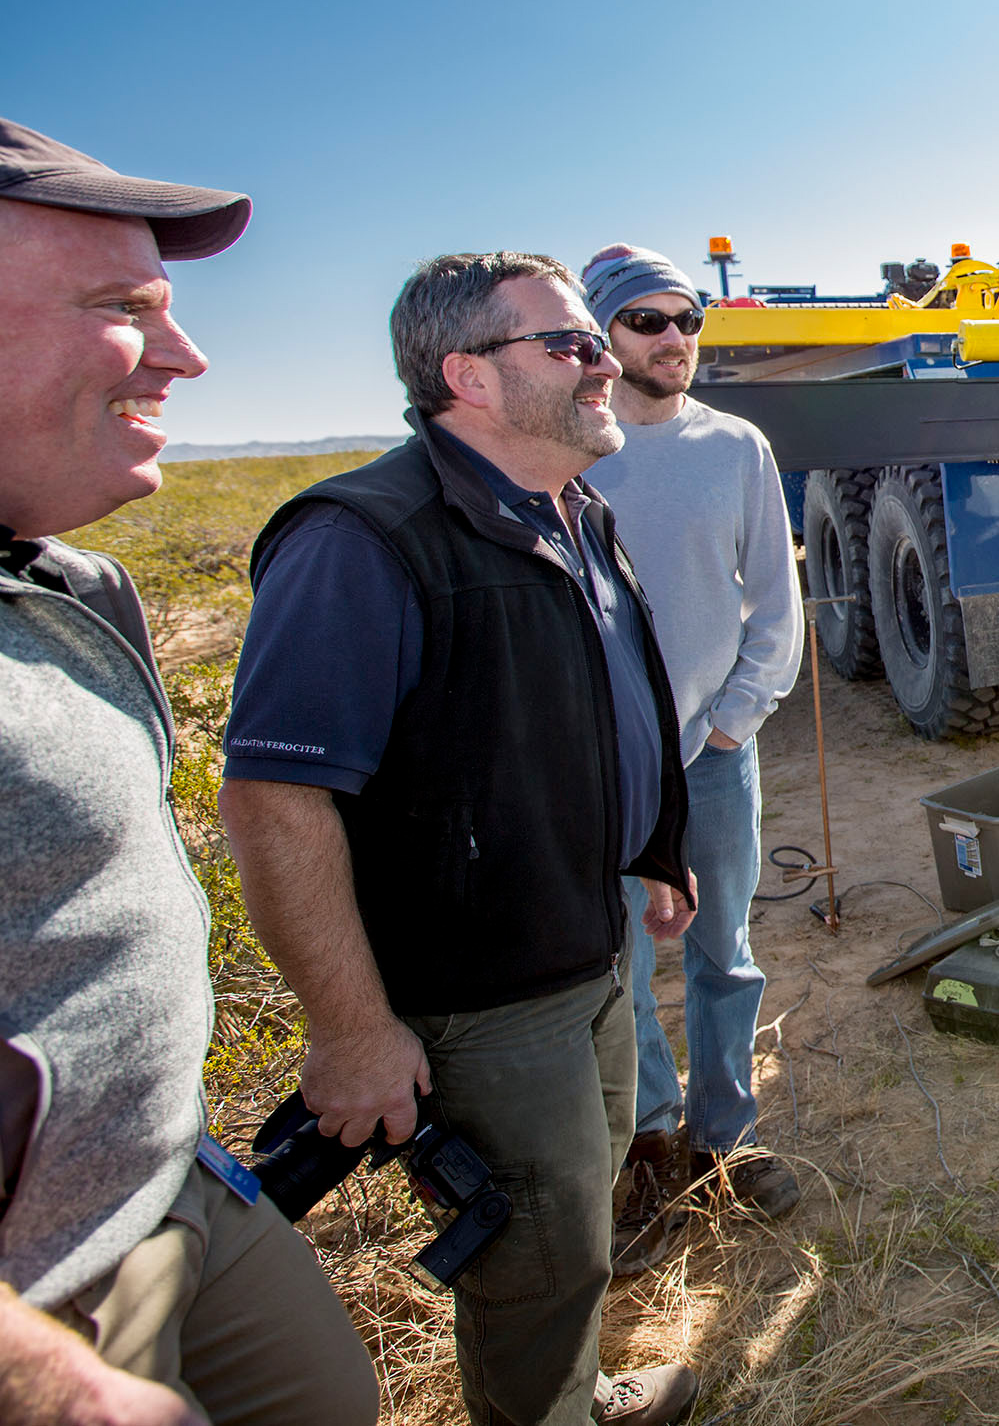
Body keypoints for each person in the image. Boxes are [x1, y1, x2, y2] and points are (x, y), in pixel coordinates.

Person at [219, 253, 703, 1426]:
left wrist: (651, 838)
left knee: (576, 1218)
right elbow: (276, 799)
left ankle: (572, 1394)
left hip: (586, 944)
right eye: (572, 344)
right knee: (534, 1252)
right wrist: (349, 1027)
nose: (606, 363)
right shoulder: (363, 540)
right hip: (484, 997)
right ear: (465, 378)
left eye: (601, 340)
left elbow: (587, 700)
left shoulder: (571, 509)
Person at [0, 118, 378, 1425]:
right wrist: (41, 1374)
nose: (191, 354)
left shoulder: (72, 585)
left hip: (169, 1183)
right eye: (124, 308)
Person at [579, 244, 805, 1273]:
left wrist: (732, 722)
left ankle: (726, 1136)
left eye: (687, 320)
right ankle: (649, 1139)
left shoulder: (737, 446)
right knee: (616, 965)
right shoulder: (572, 448)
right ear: (602, 337)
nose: (674, 339)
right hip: (603, 767)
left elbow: (775, 599)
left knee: (725, 952)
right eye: (647, 322)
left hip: (712, 757)